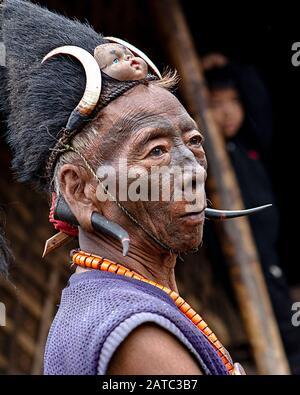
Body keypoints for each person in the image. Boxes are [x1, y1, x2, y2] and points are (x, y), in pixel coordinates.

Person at [1, 0, 266, 375]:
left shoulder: (114, 304)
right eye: (155, 151)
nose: (192, 170)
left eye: (193, 141)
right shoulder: (136, 334)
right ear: (78, 189)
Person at [203, 53, 300, 374]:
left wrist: (236, 69)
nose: (228, 112)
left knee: (288, 328)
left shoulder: (249, 145)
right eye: (216, 104)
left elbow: (258, 102)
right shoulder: (201, 159)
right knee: (286, 334)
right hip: (242, 261)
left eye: (233, 102)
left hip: (268, 257)